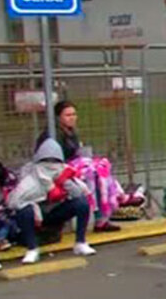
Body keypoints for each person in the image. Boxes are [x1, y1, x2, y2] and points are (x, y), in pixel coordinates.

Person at [36, 100, 123, 233]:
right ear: (58, 117)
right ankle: (101, 217)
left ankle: (105, 215)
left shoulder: (72, 132)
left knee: (99, 172)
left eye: (74, 114)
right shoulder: (52, 135)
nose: (72, 118)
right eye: (68, 115)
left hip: (71, 169)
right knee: (93, 176)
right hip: (56, 172)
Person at [6, 139, 96, 264]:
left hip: (54, 214)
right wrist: (34, 206)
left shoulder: (65, 173)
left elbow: (81, 193)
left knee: (81, 203)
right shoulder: (31, 178)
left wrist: (65, 182)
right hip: (34, 218)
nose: (51, 166)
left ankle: (80, 242)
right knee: (25, 210)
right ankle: (32, 248)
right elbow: (13, 201)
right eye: (47, 162)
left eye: (55, 161)